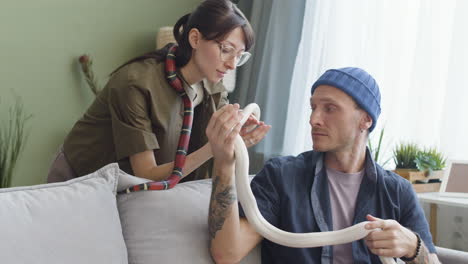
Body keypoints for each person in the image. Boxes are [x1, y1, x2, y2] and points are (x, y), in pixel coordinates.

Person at [206, 67, 440, 263]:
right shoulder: (281, 176)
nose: (314, 119)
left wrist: (413, 246)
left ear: (366, 120)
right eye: (313, 107)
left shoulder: (397, 192)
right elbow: (227, 253)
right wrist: (225, 164)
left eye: (329, 108)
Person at [47, 0, 270, 183]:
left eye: (239, 56)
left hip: (131, 188)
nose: (232, 64)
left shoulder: (213, 87)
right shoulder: (135, 84)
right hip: (80, 179)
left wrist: (234, 137)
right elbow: (146, 174)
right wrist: (214, 148)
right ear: (195, 39)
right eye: (226, 50)